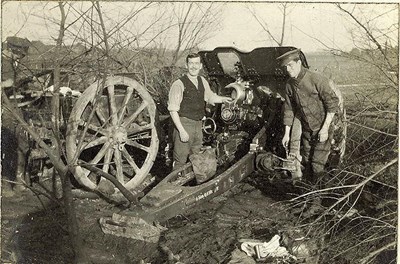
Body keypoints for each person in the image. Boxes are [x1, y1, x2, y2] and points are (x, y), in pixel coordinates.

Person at [278, 49, 339, 182]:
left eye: (291, 65)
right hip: (307, 130)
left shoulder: (316, 78)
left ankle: (317, 199)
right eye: (286, 67)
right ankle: (309, 191)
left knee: (317, 164)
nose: (288, 69)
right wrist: (286, 134)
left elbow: (333, 103)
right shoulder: (289, 85)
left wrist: (324, 129)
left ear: (299, 62)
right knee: (307, 160)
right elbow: (289, 109)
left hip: (322, 127)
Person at [168, 53, 232, 170]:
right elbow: (173, 110)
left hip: (198, 126)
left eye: (196, 63)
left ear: (201, 66)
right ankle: (173, 186)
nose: (193, 66)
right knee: (180, 162)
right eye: (191, 63)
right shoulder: (179, 84)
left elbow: (210, 97)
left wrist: (223, 99)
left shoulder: (202, 81)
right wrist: (181, 131)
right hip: (184, 124)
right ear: (186, 65)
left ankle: (191, 187)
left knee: (196, 160)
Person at [1, 36, 31, 196]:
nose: (20, 59)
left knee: (22, 144)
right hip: (6, 108)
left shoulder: (13, 64)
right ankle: (6, 184)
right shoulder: (3, 62)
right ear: (12, 51)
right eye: (19, 55)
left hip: (17, 108)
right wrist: (8, 83)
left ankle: (19, 182)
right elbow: (7, 83)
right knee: (8, 145)